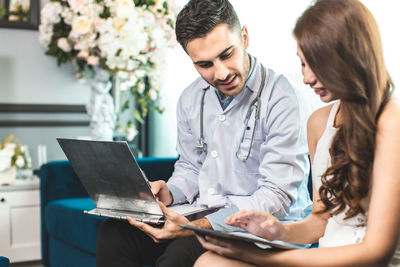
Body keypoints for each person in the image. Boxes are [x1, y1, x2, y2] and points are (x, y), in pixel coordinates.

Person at [96, 0, 312, 266]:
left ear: (244, 37)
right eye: (204, 64)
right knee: (115, 234)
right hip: (203, 217)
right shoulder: (190, 98)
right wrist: (169, 192)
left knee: (181, 253)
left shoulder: (282, 97)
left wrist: (196, 226)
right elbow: (191, 168)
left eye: (226, 54)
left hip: (264, 228)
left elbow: (275, 196)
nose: (221, 73)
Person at [194, 0, 400, 266]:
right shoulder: (318, 122)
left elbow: (375, 251)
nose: (307, 78)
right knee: (211, 262)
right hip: (322, 257)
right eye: (302, 64)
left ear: (349, 58)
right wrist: (276, 231)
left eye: (315, 64)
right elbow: (320, 220)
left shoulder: (391, 122)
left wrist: (259, 257)